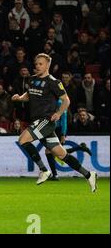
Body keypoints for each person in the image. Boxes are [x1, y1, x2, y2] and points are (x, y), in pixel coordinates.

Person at [11, 53, 97, 191]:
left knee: (22, 139)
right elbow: (29, 94)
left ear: (47, 65)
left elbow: (66, 100)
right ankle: (89, 175)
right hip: (37, 121)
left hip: (45, 120)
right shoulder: (32, 79)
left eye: (40, 64)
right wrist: (20, 98)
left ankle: (44, 170)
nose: (37, 66)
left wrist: (58, 113)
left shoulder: (54, 82)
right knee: (62, 154)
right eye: (36, 63)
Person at [45, 100, 93, 181]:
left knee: (52, 152)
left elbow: (64, 119)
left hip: (58, 130)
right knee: (54, 152)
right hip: (53, 129)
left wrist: (63, 134)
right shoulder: (50, 101)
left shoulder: (60, 102)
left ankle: (55, 175)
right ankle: (80, 147)